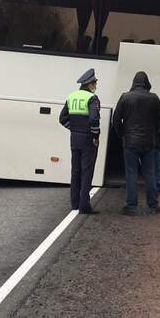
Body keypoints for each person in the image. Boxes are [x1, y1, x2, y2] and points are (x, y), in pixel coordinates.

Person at [112, 71, 160, 215]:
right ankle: (153, 206)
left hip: (130, 143)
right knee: (150, 174)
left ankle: (131, 206)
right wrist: (155, 134)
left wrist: (122, 133)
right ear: (146, 83)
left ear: (134, 82)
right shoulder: (154, 98)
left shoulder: (125, 97)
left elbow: (116, 120)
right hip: (149, 142)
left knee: (131, 174)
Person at [59, 68, 101, 215]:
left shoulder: (71, 96)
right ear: (89, 84)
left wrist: (73, 129)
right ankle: (84, 206)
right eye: (95, 82)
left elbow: (62, 118)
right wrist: (95, 136)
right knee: (86, 172)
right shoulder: (92, 98)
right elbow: (94, 119)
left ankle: (75, 203)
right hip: (88, 140)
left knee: (75, 171)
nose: (96, 85)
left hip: (74, 139)